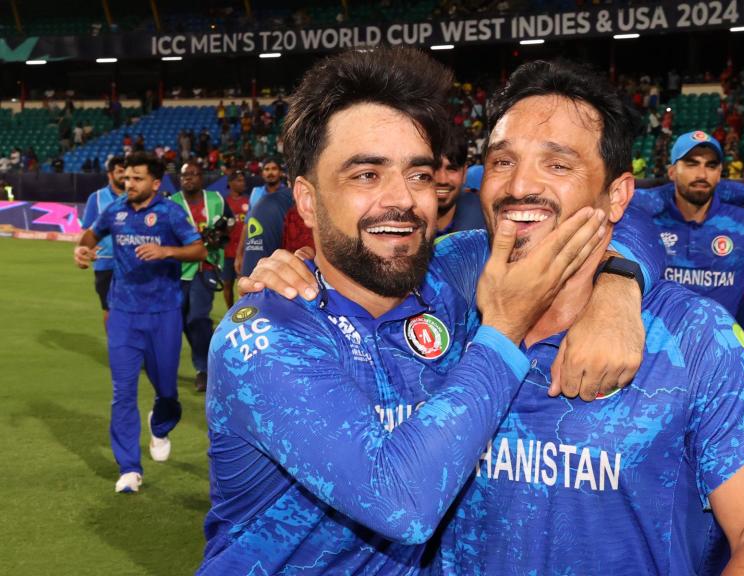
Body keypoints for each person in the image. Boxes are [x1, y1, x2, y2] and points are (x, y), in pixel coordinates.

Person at [244, 59, 744, 574]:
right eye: (503, 161)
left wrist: (618, 285)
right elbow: (365, 260)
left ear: (617, 195)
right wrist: (292, 267)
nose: (520, 186)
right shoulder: (446, 284)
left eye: (557, 164)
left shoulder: (696, 338)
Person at [199, 47, 663, 575]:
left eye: (418, 175)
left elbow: (621, 220)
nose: (401, 200)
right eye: (366, 176)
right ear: (306, 199)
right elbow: (403, 502)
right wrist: (503, 327)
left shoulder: (453, 269)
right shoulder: (265, 337)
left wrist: (618, 287)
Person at [72, 151, 206, 493]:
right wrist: (82, 249)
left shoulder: (170, 213)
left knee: (167, 392)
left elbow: (199, 250)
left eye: (136, 179)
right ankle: (129, 468)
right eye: (126, 178)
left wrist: (167, 252)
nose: (128, 184)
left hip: (164, 314)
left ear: (155, 183)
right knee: (123, 392)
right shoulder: (114, 210)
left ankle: (160, 426)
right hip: (123, 313)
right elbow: (90, 234)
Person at [633, 131, 744, 328]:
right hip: (661, 354)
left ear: (719, 174)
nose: (701, 174)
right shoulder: (646, 221)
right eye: (691, 163)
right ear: (672, 172)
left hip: (726, 355)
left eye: (711, 165)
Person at [170, 161, 234, 393]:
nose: (189, 179)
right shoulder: (171, 203)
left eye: (194, 175)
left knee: (197, 317)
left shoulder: (216, 199)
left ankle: (204, 370)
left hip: (205, 268)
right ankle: (163, 362)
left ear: (201, 178)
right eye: (185, 175)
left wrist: (219, 233)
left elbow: (230, 221)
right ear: (180, 179)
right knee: (179, 321)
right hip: (177, 270)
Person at [80, 156, 127, 327]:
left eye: (126, 171)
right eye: (119, 172)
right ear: (110, 174)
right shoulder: (97, 198)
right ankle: (115, 349)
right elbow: (86, 229)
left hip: (133, 262)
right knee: (109, 310)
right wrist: (86, 249)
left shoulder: (136, 196)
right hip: (105, 263)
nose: (124, 176)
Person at [234, 158, 288, 274]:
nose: (270, 172)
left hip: (281, 249)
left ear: (280, 172)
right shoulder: (256, 193)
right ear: (262, 173)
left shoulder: (288, 193)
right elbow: (247, 224)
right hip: (257, 248)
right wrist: (239, 254)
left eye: (274, 169)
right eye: (267, 169)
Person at [435, 130, 485, 236]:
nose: (442, 180)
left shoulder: (483, 223)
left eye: (452, 169)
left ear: (464, 173)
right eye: (434, 168)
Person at [221, 170, 249, 308]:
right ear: (230, 183)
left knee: (242, 285)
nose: (242, 183)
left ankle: (240, 314)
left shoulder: (249, 201)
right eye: (239, 180)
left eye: (243, 180)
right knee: (227, 284)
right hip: (227, 251)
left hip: (243, 251)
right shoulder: (223, 203)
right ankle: (229, 312)